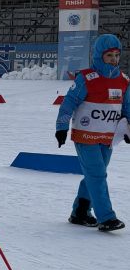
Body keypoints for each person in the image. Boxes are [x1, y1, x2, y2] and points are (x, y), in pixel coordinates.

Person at [55, 32, 130, 232]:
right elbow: (68, 104)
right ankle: (106, 217)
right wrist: (61, 128)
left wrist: (128, 128)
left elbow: (127, 108)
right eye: (109, 55)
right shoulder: (87, 78)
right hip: (85, 135)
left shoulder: (123, 80)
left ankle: (80, 212)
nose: (114, 59)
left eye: (116, 55)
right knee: (97, 174)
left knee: (95, 174)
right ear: (99, 56)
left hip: (108, 137)